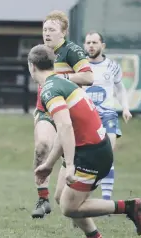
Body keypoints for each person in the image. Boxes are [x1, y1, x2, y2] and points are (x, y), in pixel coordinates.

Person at [30, 44, 141, 237]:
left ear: (31, 66)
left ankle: (130, 207)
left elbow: (65, 127)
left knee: (69, 207)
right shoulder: (60, 83)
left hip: (92, 153)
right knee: (60, 196)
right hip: (92, 148)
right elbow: (64, 130)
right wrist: (49, 164)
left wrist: (70, 164)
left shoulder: (49, 90)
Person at [31, 10, 94, 218]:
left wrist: (62, 77)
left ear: (63, 32)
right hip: (46, 110)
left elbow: (88, 77)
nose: (47, 34)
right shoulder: (41, 52)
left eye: (52, 30)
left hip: (70, 113)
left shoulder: (72, 51)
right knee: (42, 146)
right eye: (44, 30)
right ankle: (42, 199)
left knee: (64, 194)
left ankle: (78, 207)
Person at [83, 31, 133, 201]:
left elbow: (120, 89)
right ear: (84, 45)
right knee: (86, 159)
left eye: (94, 42)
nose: (91, 45)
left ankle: (106, 199)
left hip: (107, 116)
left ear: (102, 46)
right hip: (86, 118)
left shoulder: (112, 66)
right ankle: (83, 197)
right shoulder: (80, 66)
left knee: (108, 153)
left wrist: (125, 108)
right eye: (88, 42)